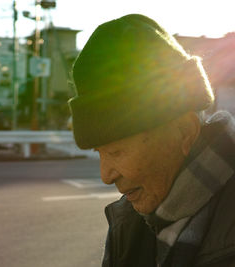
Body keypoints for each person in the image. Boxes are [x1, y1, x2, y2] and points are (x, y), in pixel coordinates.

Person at [68, 14, 235, 267]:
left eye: (116, 151)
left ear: (184, 132)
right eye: (99, 152)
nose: (106, 175)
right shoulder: (129, 223)